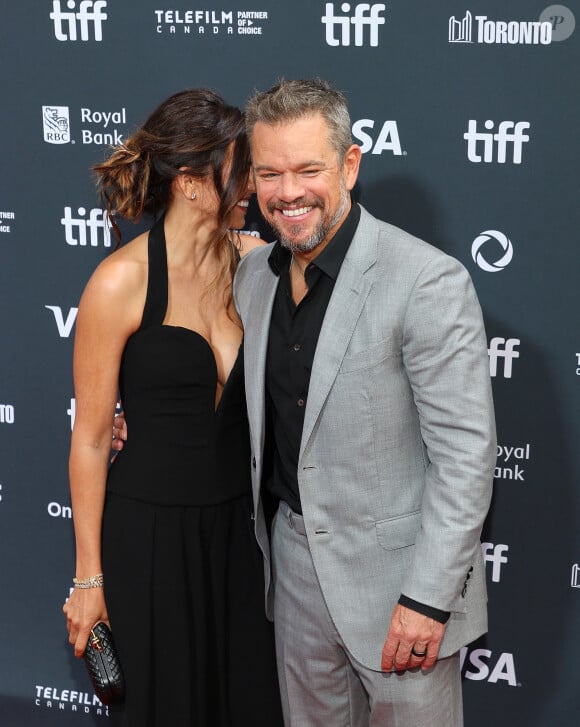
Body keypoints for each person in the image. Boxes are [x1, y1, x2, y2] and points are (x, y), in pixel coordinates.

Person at [231, 78, 497, 726]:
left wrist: (428, 599)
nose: (288, 191)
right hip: (293, 571)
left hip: (400, 586)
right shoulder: (252, 278)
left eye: (307, 169)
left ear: (349, 164)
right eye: (269, 172)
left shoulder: (426, 281)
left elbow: (465, 457)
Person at [63, 88, 283, 727]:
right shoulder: (120, 282)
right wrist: (88, 580)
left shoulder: (258, 267)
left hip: (244, 540)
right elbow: (90, 440)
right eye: (241, 169)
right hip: (149, 540)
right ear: (191, 181)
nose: (252, 186)